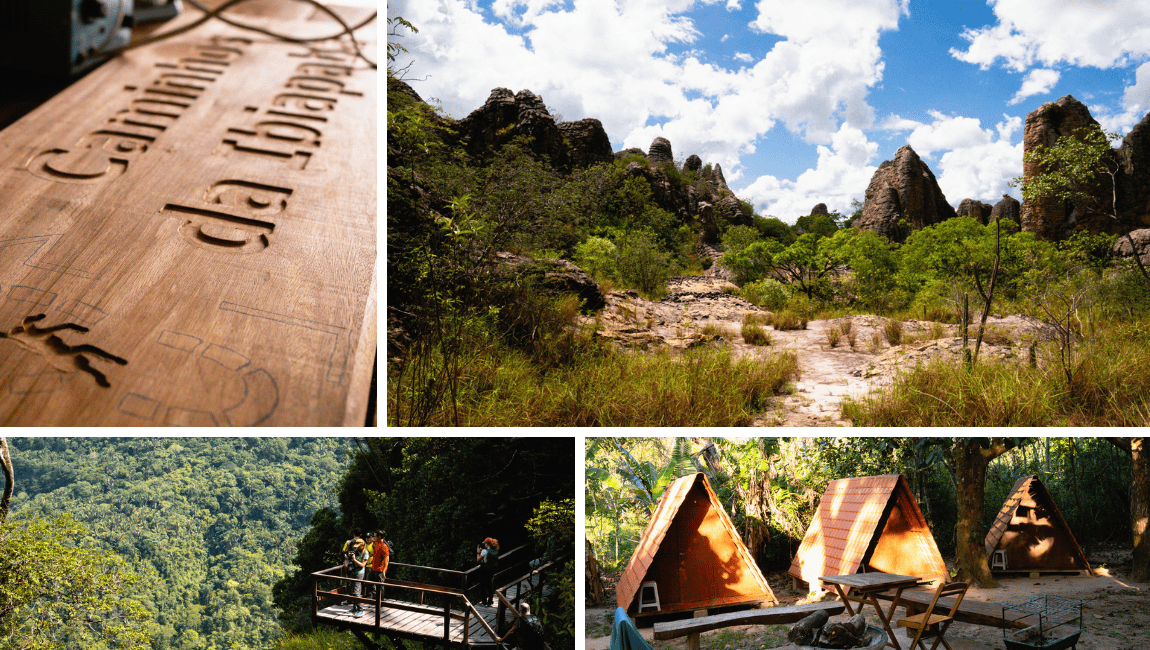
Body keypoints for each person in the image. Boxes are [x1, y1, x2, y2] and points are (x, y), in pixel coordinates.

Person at [347, 538, 369, 615]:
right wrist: (350, 555)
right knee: (353, 590)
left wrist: (354, 560)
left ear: (363, 545)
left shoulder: (365, 553)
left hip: (359, 573)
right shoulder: (357, 551)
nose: (357, 548)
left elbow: (363, 565)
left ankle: (360, 609)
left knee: (356, 591)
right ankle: (355, 607)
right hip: (353, 572)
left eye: (359, 546)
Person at [478, 537, 500, 606]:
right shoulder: (495, 551)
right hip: (492, 570)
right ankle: (490, 601)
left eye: (484, 543)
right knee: (490, 586)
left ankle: (484, 602)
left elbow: (478, 560)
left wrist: (478, 552)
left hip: (484, 570)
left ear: (487, 543)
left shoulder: (484, 551)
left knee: (483, 586)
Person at [369, 528, 389, 601]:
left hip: (380, 570)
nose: (373, 537)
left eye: (375, 536)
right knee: (370, 583)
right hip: (373, 568)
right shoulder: (376, 543)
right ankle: (376, 597)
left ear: (379, 537)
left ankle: (381, 601)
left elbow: (386, 559)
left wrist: (384, 571)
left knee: (380, 587)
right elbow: (377, 553)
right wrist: (372, 554)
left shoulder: (384, 546)